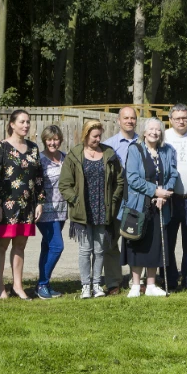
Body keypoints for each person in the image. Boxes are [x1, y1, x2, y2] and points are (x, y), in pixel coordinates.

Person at [59, 120, 125, 299]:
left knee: (100, 249)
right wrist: (75, 200)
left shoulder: (109, 154)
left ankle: (97, 284)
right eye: (94, 136)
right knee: (85, 250)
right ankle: (85, 285)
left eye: (99, 136)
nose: (97, 139)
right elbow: (65, 184)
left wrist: (113, 199)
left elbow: (120, 180)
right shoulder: (74, 155)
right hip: (83, 210)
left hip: (103, 209)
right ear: (86, 135)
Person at [0, 110, 45, 300]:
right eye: (22, 122)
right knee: (2, 244)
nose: (26, 125)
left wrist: (39, 202)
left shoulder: (33, 148)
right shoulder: (1, 148)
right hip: (7, 205)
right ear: (12, 124)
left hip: (27, 205)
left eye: (28, 122)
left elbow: (38, 178)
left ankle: (18, 286)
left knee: (20, 245)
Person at [120, 117, 178, 297]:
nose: (154, 132)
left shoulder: (168, 150)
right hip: (138, 205)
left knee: (155, 244)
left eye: (158, 129)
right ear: (144, 132)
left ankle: (151, 285)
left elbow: (173, 174)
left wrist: (164, 194)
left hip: (159, 206)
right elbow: (133, 179)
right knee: (137, 244)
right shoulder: (135, 150)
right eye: (151, 129)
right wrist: (155, 191)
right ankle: (136, 285)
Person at [101, 106, 139, 295]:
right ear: (118, 120)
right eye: (126, 118)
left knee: (135, 240)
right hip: (116, 200)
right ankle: (113, 282)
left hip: (137, 200)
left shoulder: (144, 142)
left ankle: (135, 279)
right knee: (111, 241)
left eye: (132, 118)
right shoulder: (109, 146)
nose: (129, 121)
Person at [164, 103, 187, 290]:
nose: (181, 121)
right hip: (170, 198)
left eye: (184, 117)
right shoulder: (163, 136)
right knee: (169, 241)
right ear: (170, 119)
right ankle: (170, 280)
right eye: (177, 118)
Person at [35, 125, 66, 299]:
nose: (52, 143)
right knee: (56, 246)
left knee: (47, 246)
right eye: (49, 139)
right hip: (45, 209)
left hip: (62, 210)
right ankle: (42, 284)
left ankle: (44, 283)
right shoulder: (39, 159)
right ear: (44, 140)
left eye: (55, 139)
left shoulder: (65, 158)